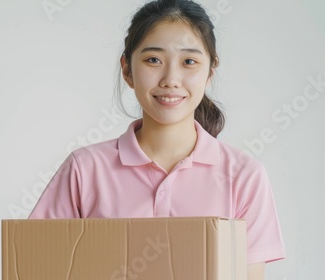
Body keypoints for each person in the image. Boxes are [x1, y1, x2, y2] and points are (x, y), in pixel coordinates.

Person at [29, 0, 285, 278]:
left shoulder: (243, 176)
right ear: (127, 70)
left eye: (189, 61)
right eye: (153, 60)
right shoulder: (85, 168)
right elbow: (38, 264)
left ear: (210, 71)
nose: (171, 79)